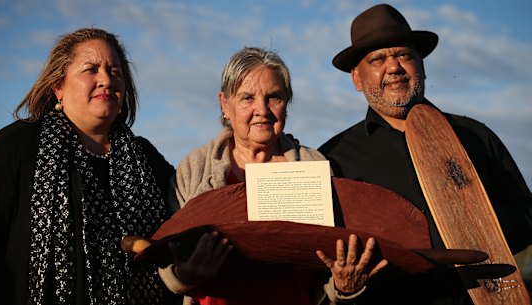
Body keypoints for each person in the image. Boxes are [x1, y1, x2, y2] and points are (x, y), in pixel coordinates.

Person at [319, 4, 532, 304]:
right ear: (357, 78)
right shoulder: (334, 158)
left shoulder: (475, 136)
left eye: (403, 55)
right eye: (378, 59)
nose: (393, 67)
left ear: (421, 64)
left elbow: (526, 217)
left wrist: (475, 229)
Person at [157, 46, 388, 305]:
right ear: (225, 104)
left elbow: (332, 259)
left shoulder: (314, 165)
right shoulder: (193, 169)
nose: (262, 110)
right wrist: (184, 274)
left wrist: (343, 286)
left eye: (273, 97)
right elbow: (167, 258)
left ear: (286, 103)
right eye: (247, 98)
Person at [0, 28, 181, 305]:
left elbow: (183, 225)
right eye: (91, 69)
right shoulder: (17, 147)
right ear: (59, 87)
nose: (106, 79)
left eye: (115, 71)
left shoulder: (146, 159)